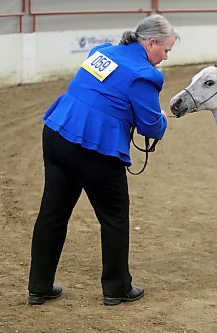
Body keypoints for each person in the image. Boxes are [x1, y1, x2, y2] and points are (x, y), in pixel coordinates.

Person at [27, 14, 178, 306]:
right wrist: (161, 122)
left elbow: (102, 91)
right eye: (166, 50)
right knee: (114, 218)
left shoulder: (102, 51)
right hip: (93, 147)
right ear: (150, 43)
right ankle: (117, 288)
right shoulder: (146, 75)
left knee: (53, 214)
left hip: (58, 132)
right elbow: (149, 125)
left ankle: (39, 285)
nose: (166, 57)